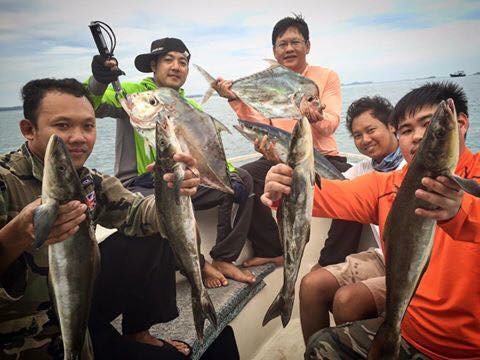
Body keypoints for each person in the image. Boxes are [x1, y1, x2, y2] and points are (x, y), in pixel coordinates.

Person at [262, 82, 480, 359]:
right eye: (406, 130)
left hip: (469, 350)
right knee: (321, 346)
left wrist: (458, 212)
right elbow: (323, 196)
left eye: (428, 125)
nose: (417, 137)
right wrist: (285, 186)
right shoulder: (387, 186)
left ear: (461, 124)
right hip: (407, 332)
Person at [0, 78, 201, 359]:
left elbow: (140, 214)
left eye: (88, 125)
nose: (79, 137)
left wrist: (171, 192)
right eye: (63, 126)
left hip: (84, 308)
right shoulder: (4, 181)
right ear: (28, 129)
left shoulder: (91, 181)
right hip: (27, 335)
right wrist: (18, 234)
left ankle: (137, 330)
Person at [87, 37, 256, 288]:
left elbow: (208, 151)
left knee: (243, 181)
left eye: (183, 62)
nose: (176, 66)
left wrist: (229, 175)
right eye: (168, 60)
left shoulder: (190, 106)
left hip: (182, 180)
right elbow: (92, 104)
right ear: (153, 65)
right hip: (139, 183)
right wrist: (99, 80)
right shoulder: (134, 94)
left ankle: (223, 257)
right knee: (165, 202)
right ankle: (196, 265)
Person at [212, 14, 349, 268]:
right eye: (281, 44)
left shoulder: (326, 76)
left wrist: (315, 116)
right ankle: (273, 249)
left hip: (323, 158)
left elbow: (331, 123)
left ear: (308, 46)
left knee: (352, 191)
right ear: (274, 51)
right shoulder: (269, 82)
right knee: (242, 178)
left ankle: (331, 260)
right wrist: (234, 98)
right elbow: (263, 126)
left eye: (295, 42)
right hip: (283, 158)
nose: (288, 48)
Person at [299, 96, 403, 344]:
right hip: (382, 256)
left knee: (346, 301)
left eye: (370, 130)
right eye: (357, 135)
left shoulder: (410, 166)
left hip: (409, 264)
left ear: (392, 127)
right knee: (311, 284)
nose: (365, 140)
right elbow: (323, 186)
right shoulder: (362, 170)